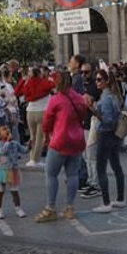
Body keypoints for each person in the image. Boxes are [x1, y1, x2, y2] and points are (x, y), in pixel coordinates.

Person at [36, 70, 89, 222]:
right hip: (77, 141)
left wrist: (46, 134)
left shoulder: (56, 99)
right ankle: (70, 207)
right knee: (72, 174)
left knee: (51, 174)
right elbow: (83, 115)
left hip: (60, 140)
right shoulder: (79, 98)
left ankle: (50, 207)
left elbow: (47, 121)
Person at [92, 71, 127, 212]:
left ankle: (106, 203)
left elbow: (108, 121)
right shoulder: (114, 96)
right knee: (116, 165)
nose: (97, 82)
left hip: (105, 134)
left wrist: (94, 112)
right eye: (96, 79)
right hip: (114, 136)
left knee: (101, 168)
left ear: (107, 81)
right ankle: (120, 198)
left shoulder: (106, 98)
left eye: (100, 80)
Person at [18, 66, 55, 167]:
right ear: (39, 74)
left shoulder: (28, 83)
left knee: (32, 136)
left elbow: (18, 91)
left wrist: (23, 80)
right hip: (42, 111)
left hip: (30, 111)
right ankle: (36, 160)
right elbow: (54, 85)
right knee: (40, 137)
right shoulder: (44, 82)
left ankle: (31, 158)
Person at [0, 122, 28, 218]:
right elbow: (2, 151)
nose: (7, 129)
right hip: (3, 170)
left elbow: (24, 150)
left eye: (7, 128)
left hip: (13, 170)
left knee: (14, 191)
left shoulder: (15, 143)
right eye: (3, 129)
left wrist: (30, 146)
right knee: (0, 191)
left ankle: (18, 208)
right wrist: (8, 141)